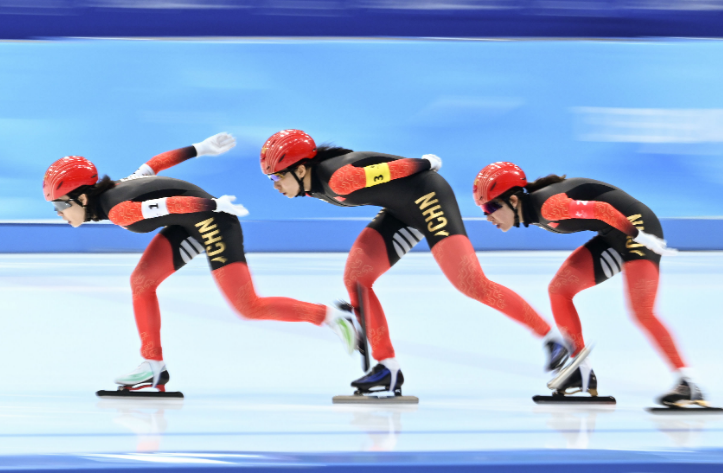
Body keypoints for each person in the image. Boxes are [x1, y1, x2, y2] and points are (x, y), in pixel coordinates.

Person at [44, 132, 362, 393]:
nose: (58, 213)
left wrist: (214, 205)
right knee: (141, 282)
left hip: (212, 219)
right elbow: (153, 165)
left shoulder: (119, 211)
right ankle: (153, 366)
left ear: (82, 198)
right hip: (188, 221)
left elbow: (170, 204)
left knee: (247, 305)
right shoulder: (117, 188)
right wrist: (200, 148)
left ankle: (334, 317)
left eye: (60, 205)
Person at [259, 129, 568, 396]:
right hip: (399, 210)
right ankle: (387, 368)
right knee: (356, 278)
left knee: (471, 283)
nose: (275, 185)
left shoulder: (339, 180)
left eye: (277, 176)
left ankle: (553, 339)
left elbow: (395, 169)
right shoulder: (311, 184)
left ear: (301, 169)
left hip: (428, 196)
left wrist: (427, 163)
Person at [473, 162, 710, 408]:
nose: (488, 216)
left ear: (513, 200)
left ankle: (689, 383)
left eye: (491, 207)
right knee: (559, 290)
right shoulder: (531, 210)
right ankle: (581, 371)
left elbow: (602, 209)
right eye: (482, 210)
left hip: (637, 229)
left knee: (642, 311)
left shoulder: (547, 206)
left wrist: (640, 236)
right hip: (612, 235)